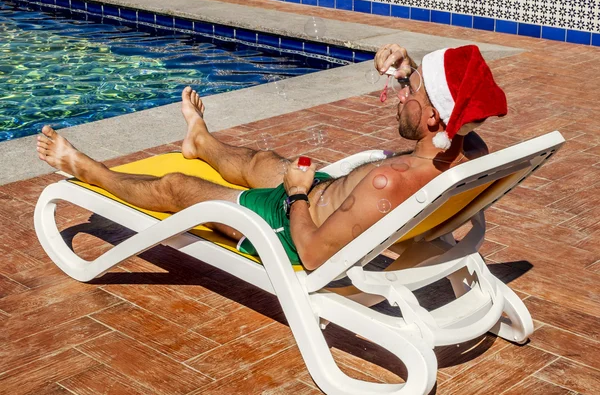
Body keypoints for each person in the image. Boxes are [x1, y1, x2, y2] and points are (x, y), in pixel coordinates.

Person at [36, 44, 507, 271]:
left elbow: (313, 252)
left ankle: (86, 168)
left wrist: (298, 196)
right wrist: (408, 70)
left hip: (289, 226)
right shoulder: (468, 153)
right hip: (326, 196)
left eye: (410, 89)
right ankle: (201, 141)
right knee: (262, 160)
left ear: (430, 118)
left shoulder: (388, 185)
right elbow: (458, 112)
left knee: (176, 187)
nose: (400, 93)